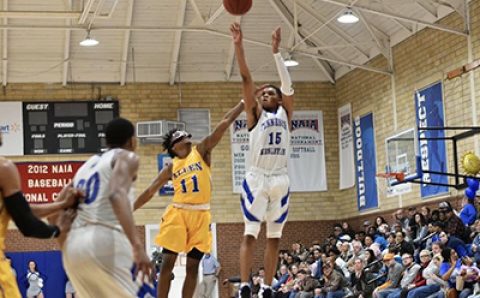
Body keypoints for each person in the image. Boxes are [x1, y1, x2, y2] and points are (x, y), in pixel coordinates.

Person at [134, 99, 245, 298]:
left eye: (187, 136)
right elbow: (150, 191)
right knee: (168, 263)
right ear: (175, 146)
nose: (188, 139)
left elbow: (225, 122)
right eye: (183, 137)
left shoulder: (201, 151)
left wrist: (243, 104)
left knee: (193, 267)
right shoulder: (171, 167)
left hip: (201, 214)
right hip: (178, 213)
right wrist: (130, 208)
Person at [230, 22, 295, 298]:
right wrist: (238, 45)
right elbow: (246, 80)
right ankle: (245, 284)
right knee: (250, 233)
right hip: (257, 178)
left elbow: (288, 85)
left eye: (271, 93)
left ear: (279, 100)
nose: (266, 94)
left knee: (275, 237)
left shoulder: (285, 115)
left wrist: (276, 52)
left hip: (280, 177)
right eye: (263, 93)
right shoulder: (255, 116)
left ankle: (267, 286)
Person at [61, 117, 153, 298]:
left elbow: (58, 204)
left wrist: (64, 243)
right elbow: (116, 194)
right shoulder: (127, 156)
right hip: (106, 240)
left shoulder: (86, 166)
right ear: (132, 141)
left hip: (73, 248)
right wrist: (137, 245)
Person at [0, 131, 80, 298]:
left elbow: (20, 210)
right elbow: (27, 224)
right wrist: (57, 229)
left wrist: (61, 204)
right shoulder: (4, 169)